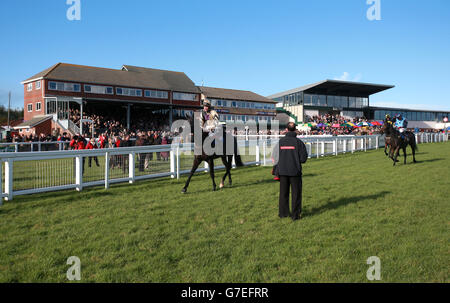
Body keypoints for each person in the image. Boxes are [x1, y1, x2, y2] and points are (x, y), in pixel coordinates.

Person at [272, 122, 308, 221]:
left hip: (282, 171)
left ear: (286, 130)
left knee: (283, 193)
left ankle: (283, 213)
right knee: (296, 194)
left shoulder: (280, 142)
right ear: (295, 130)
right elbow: (303, 159)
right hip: (295, 171)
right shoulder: (299, 143)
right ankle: (295, 215)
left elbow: (274, 157)